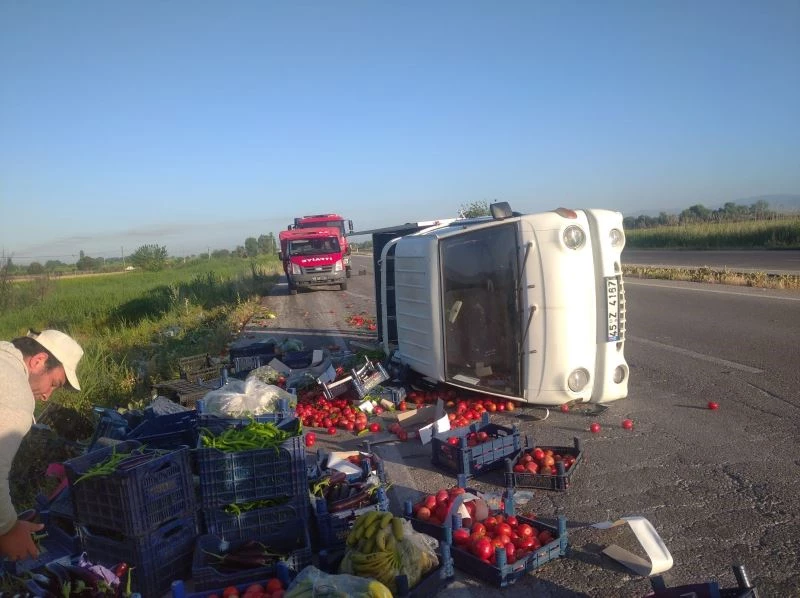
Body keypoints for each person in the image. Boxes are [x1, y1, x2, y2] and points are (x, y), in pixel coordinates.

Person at [0, 329, 83, 561]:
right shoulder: (15, 392)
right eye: (54, 383)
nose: (47, 395)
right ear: (38, 361)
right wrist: (8, 528)